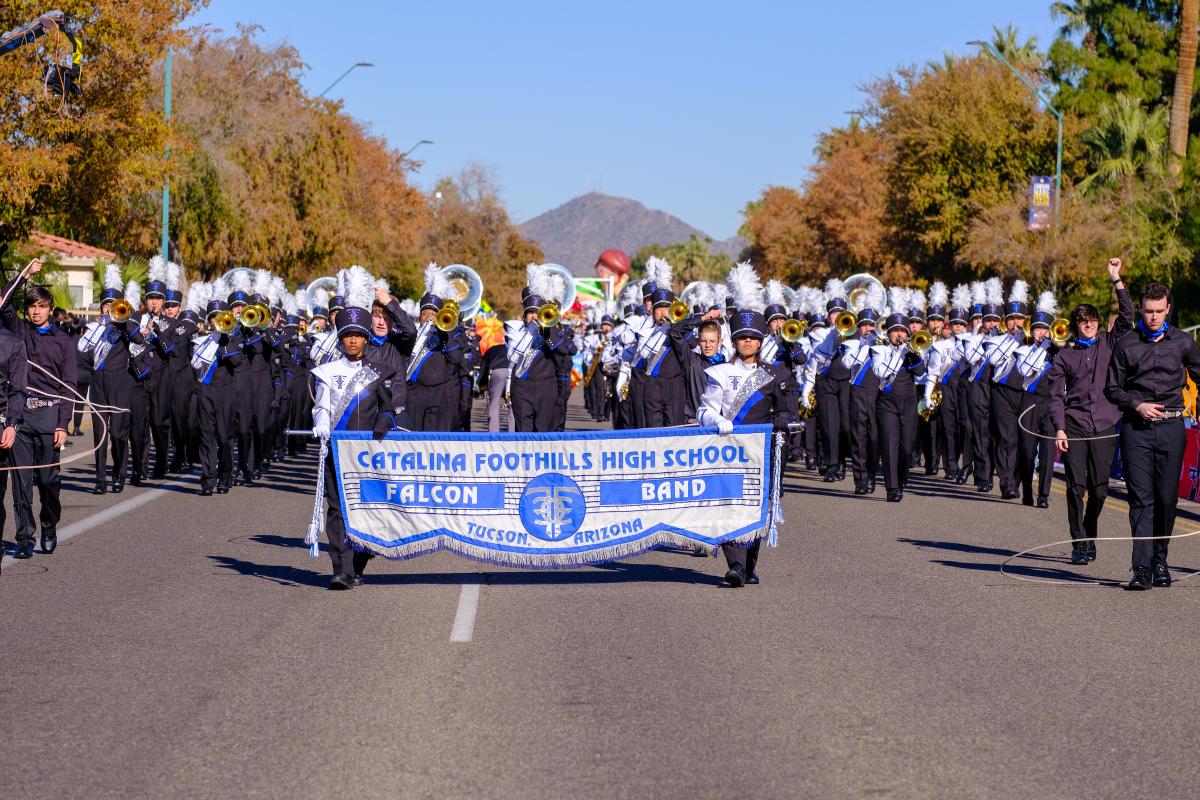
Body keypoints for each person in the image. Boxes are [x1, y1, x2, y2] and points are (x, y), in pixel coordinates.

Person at [1103, 281, 1200, 590]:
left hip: (1173, 428)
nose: (1153, 317)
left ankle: (1160, 561)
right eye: (1148, 311)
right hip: (1137, 430)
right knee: (1141, 500)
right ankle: (1141, 569)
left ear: (1168, 309)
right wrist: (1137, 404)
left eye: (1159, 311)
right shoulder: (1126, 344)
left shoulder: (1183, 343)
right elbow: (1112, 388)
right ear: (1141, 310)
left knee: (1167, 500)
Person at [696, 307, 793, 587]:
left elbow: (784, 411)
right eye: (742, 338)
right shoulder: (720, 373)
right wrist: (716, 419)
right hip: (726, 450)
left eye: (752, 337)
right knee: (727, 505)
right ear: (734, 342)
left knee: (755, 507)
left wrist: (780, 423)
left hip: (759, 451)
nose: (747, 342)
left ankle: (749, 565)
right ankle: (735, 565)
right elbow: (704, 411)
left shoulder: (775, 374)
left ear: (761, 342)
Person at [311, 304, 405, 589]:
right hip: (337, 452)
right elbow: (322, 405)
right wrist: (321, 422)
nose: (353, 340)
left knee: (367, 509)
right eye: (347, 335)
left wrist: (385, 419)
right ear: (341, 338)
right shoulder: (327, 372)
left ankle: (358, 564)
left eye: (358, 335)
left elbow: (390, 407)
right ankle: (341, 568)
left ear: (366, 340)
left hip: (368, 454)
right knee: (338, 509)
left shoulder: (379, 372)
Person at [1047, 258, 1132, 564]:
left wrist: (1115, 279)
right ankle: (1079, 542)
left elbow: (1127, 317)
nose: (1089, 323)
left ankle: (1090, 530)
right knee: (1075, 487)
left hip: (1106, 425)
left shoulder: (1110, 343)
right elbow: (1055, 397)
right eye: (1083, 320)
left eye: (1093, 319)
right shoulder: (1064, 357)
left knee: (1099, 491)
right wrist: (1059, 428)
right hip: (1076, 426)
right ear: (1076, 324)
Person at [0, 259, 75, 555]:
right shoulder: (19, 331)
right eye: (32, 305)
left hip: (49, 415)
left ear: (50, 308)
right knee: (22, 482)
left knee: (47, 481)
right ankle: (25, 539)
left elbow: (69, 384)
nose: (35, 310)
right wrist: (24, 274)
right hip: (21, 416)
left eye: (41, 306)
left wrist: (62, 423)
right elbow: (4, 302)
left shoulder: (64, 342)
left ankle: (49, 525)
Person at [79, 266, 145, 494]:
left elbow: (138, 340)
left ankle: (119, 474)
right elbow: (82, 351)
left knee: (118, 433)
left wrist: (122, 320)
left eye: (113, 304)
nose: (109, 308)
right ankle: (100, 480)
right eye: (106, 304)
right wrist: (99, 326)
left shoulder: (127, 327)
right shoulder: (93, 327)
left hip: (119, 383)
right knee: (100, 434)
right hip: (98, 383)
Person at [872, 302, 926, 502]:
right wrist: (899, 354)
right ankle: (892, 487)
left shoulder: (912, 351)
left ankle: (902, 478)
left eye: (902, 331)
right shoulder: (879, 351)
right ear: (888, 334)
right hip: (886, 403)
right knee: (889, 445)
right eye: (895, 331)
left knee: (907, 446)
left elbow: (921, 373)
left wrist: (912, 354)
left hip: (908, 402)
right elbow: (879, 372)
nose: (899, 335)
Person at [478, 339, 513, 433]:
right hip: (512, 371)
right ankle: (513, 433)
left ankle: (493, 433)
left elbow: (483, 368)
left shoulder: (492, 349)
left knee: (494, 402)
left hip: (497, 371)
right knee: (512, 404)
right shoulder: (514, 347)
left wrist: (482, 385)